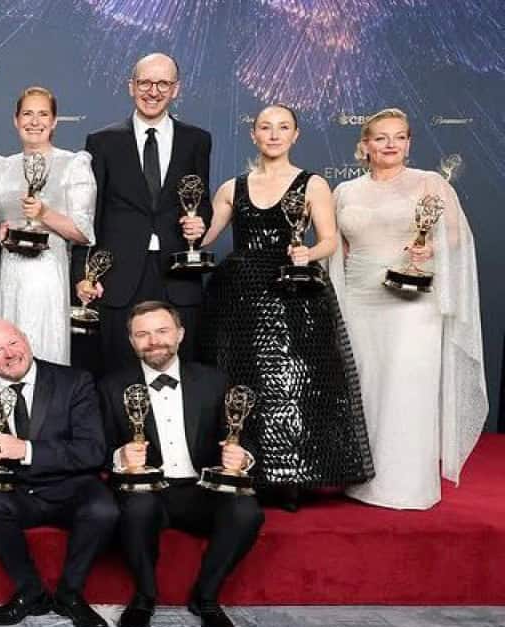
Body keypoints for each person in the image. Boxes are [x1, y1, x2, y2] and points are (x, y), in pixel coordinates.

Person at [194, 104, 374, 509]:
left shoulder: (313, 184)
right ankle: (245, 470)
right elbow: (205, 238)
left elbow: (329, 240)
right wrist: (192, 228)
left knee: (293, 385)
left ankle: (292, 475)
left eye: (283, 127)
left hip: (293, 293)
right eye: (265, 127)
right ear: (253, 134)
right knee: (243, 380)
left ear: (295, 135)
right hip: (239, 298)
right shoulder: (232, 187)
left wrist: (308, 254)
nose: (274, 134)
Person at [331, 109, 487, 509]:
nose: (390, 144)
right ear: (364, 145)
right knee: (367, 384)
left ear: (408, 143)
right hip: (360, 298)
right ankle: (363, 478)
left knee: (407, 386)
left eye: (399, 137)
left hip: (413, 300)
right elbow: (339, 248)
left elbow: (457, 235)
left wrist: (429, 249)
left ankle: (406, 485)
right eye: (381, 137)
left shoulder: (429, 182)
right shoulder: (344, 191)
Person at [99, 301, 265, 627]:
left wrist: (242, 457)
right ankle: (144, 597)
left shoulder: (213, 380)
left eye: (162, 331)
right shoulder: (111, 386)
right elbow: (96, 447)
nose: (153, 341)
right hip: (148, 490)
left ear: (180, 334)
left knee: (247, 511)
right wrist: (120, 457)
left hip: (202, 489)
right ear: (131, 341)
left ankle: (206, 597)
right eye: (143, 334)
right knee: (137, 507)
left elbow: (243, 435)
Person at [0, 319, 117, 627]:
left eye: (13, 343)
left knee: (104, 509)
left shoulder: (74, 381)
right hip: (14, 491)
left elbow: (92, 450)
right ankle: (30, 591)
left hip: (70, 486)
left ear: (26, 339)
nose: (10, 354)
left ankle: (69, 594)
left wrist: (26, 450)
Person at [78, 54, 212, 375]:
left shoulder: (197, 140)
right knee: (118, 375)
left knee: (181, 374)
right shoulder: (102, 141)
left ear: (176, 89)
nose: (153, 91)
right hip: (118, 277)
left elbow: (201, 200)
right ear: (131, 86)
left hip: (178, 275)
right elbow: (90, 213)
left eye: (163, 83)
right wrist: (83, 273)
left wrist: (200, 222)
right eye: (145, 83)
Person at [0, 87, 95, 365]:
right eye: (27, 114)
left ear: (54, 121)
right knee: (5, 350)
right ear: (16, 120)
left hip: (46, 275)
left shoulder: (73, 164)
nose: (35, 122)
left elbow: (83, 233)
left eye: (43, 114)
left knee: (44, 350)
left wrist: (44, 213)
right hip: (6, 274)